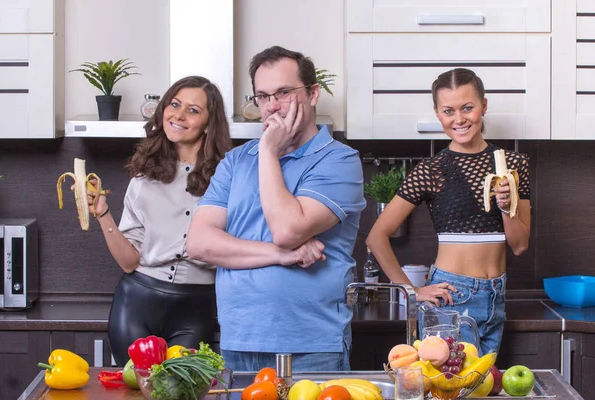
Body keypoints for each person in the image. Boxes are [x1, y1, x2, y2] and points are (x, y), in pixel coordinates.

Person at [186, 46, 366, 372]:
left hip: (311, 346)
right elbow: (199, 243)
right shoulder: (236, 162)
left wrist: (268, 151)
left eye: (284, 93)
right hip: (238, 342)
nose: (272, 107)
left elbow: (288, 230)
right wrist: (279, 255)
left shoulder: (339, 160)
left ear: (313, 94)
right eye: (263, 96)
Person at [366, 68, 531, 356]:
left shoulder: (514, 165)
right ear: (437, 114)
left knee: (481, 388)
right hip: (452, 297)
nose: (459, 119)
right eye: (448, 111)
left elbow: (519, 245)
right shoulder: (432, 171)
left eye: (467, 107)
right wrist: (413, 292)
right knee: (451, 391)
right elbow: (376, 236)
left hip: (497, 296)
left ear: (484, 106)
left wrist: (507, 207)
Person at [83, 76, 232, 366]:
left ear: (209, 123)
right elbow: (129, 262)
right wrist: (103, 214)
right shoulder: (143, 178)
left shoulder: (227, 177)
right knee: (134, 392)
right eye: (174, 104)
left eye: (193, 110)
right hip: (137, 302)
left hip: (197, 305)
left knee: (183, 391)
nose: (178, 115)